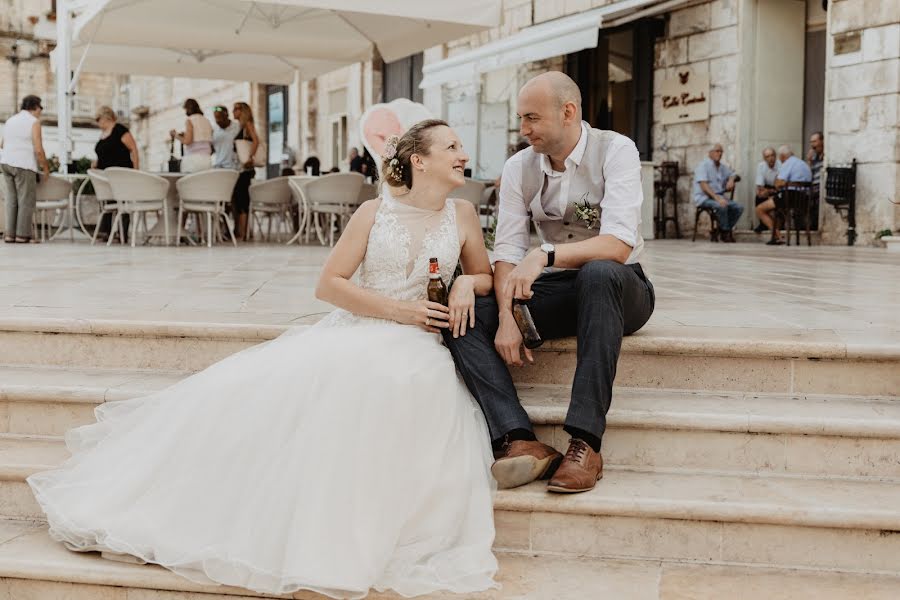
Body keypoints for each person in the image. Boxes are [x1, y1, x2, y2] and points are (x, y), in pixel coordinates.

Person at [27, 119, 499, 598]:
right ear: (419, 160)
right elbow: (329, 284)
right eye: (453, 146)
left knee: (409, 380)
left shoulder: (462, 214)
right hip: (365, 326)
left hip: (420, 342)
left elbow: (484, 276)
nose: (464, 154)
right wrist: (400, 310)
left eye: (461, 146)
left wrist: (465, 282)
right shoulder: (374, 212)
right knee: (307, 386)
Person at [443, 72, 655, 495]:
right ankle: (518, 438)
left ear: (568, 112)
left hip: (623, 284)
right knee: (463, 316)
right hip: (562, 288)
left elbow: (616, 244)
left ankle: (586, 443)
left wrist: (545, 254)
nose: (524, 130)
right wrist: (506, 315)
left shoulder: (617, 150)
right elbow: (505, 251)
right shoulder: (519, 166)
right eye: (522, 119)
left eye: (532, 118)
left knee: (598, 272)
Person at [0, 95, 50, 243]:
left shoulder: (10, 120)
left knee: (11, 199)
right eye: (41, 108)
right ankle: (22, 235)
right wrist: (45, 168)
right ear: (35, 107)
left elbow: (2, 144)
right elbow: (38, 148)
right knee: (26, 200)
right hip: (24, 163)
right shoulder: (33, 122)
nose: (41, 111)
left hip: (6, 162)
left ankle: (9, 234)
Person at [94, 105, 139, 242]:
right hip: (105, 176)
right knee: (108, 202)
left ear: (106, 117)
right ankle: (106, 231)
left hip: (121, 174)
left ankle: (123, 233)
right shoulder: (103, 134)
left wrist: (136, 172)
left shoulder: (120, 130)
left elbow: (134, 150)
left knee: (122, 202)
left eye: (98, 119)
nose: (98, 123)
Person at [692, 144, 742, 242]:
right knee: (721, 206)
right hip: (704, 198)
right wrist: (717, 198)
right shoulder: (703, 165)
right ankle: (725, 232)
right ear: (710, 153)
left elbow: (735, 174)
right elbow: (704, 185)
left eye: (721, 151)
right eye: (717, 151)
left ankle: (721, 230)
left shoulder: (722, 167)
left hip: (718, 196)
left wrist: (731, 179)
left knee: (738, 207)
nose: (719, 153)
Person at [231, 101, 261, 240]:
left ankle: (242, 233)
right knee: (237, 200)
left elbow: (256, 140)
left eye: (236, 109)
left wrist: (250, 157)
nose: (233, 111)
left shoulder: (248, 125)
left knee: (242, 200)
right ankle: (240, 231)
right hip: (240, 169)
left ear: (243, 111)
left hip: (245, 169)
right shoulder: (240, 127)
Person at [170, 99, 213, 173]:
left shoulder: (190, 120)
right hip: (207, 159)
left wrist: (175, 135)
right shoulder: (207, 121)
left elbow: (188, 141)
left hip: (193, 159)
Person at [753, 146, 779, 234]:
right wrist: (764, 191)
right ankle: (763, 223)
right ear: (764, 158)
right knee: (759, 196)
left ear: (775, 156)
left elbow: (780, 185)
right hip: (767, 187)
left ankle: (778, 224)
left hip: (778, 188)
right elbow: (760, 186)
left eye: (772, 155)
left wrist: (771, 191)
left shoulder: (781, 165)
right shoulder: (761, 166)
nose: (771, 158)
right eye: (767, 156)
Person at [211, 105, 240, 170]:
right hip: (219, 166)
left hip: (234, 167)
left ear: (226, 115)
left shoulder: (237, 126)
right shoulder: (214, 130)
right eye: (216, 118)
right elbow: (212, 149)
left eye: (219, 117)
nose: (217, 120)